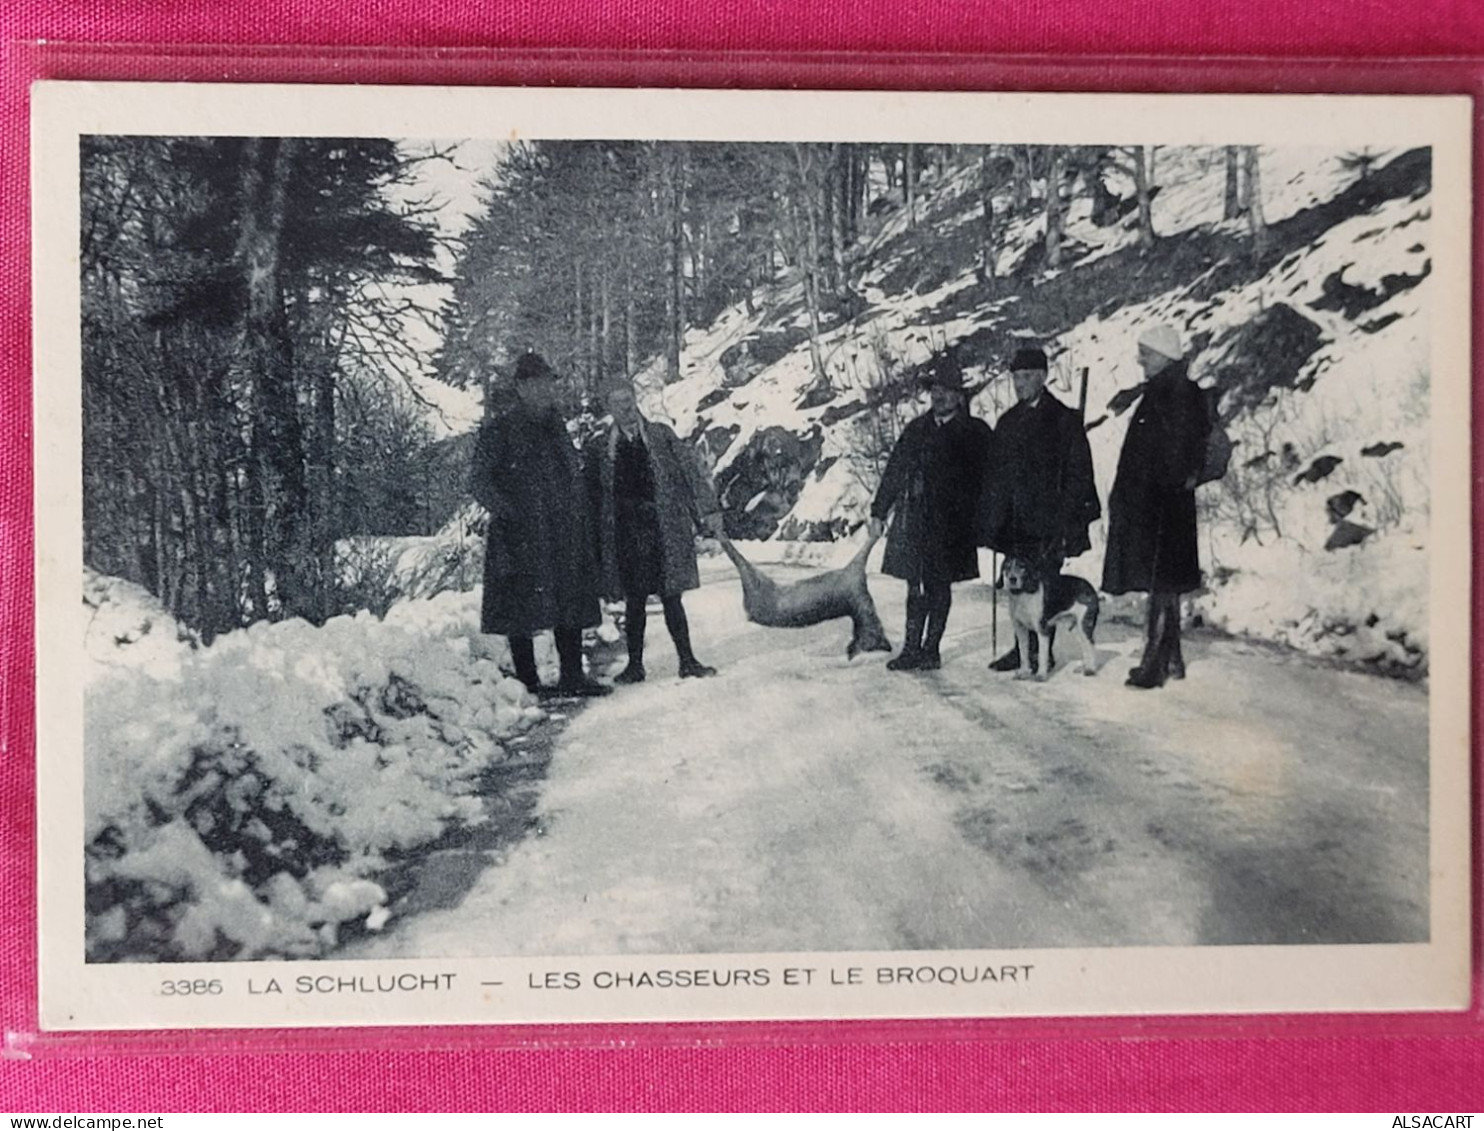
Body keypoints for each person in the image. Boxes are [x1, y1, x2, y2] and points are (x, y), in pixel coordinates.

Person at [469, 351, 610, 698]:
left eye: (548, 384)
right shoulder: (499, 429)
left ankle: (572, 676)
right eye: (537, 384)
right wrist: (511, 513)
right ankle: (529, 682)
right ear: (521, 388)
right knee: (520, 608)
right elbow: (479, 482)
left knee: (570, 601)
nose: (546, 391)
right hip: (519, 535)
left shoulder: (555, 425)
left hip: (562, 531)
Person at [587, 380, 723, 683]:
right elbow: (594, 496)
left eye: (628, 399)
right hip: (626, 535)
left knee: (671, 596)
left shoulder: (661, 436)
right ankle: (635, 666)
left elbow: (691, 473)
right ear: (609, 408)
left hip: (663, 529)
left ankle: (687, 660)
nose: (624, 406)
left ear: (635, 400)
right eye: (617, 401)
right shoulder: (600, 448)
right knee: (635, 601)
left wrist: (708, 510)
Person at [977, 345, 1101, 673]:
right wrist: (990, 519)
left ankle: (1038, 653)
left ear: (1044, 377)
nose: (1020, 384)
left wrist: (1071, 519)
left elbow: (1080, 474)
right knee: (1018, 590)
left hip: (1050, 523)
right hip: (1016, 523)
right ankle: (1024, 651)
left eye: (1027, 377)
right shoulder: (1007, 422)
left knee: (1043, 586)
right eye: (1016, 377)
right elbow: (993, 476)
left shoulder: (1063, 420)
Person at [868, 352, 994, 671]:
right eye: (935, 389)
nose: (939, 396)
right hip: (915, 520)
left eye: (947, 390)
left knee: (939, 584)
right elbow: (894, 471)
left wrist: (989, 519)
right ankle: (911, 648)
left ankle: (931, 649)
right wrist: (879, 510)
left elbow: (993, 480)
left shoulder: (976, 433)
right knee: (915, 583)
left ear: (959, 396)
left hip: (954, 524)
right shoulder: (916, 429)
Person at [1101, 325, 1209, 690]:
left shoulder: (1176, 393)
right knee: (1165, 582)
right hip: (1158, 503)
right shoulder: (1167, 390)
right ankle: (1172, 658)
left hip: (1163, 505)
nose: (1139, 360)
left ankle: (1154, 664)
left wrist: (1159, 487)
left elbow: (1180, 450)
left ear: (1163, 355)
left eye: (1145, 353)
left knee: (1163, 581)